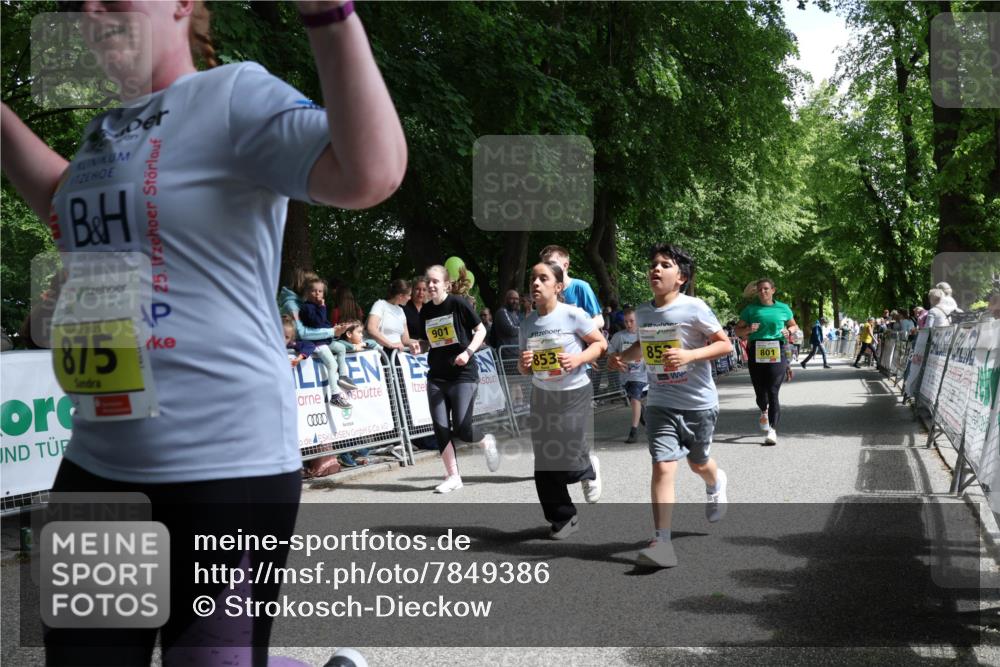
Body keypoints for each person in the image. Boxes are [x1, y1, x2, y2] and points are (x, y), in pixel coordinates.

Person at [2, 1, 406, 665]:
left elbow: (372, 172)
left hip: (226, 466)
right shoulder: (104, 132)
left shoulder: (233, 96)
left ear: (182, 4)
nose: (91, 10)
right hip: (100, 464)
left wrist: (328, 15)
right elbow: (60, 199)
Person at [607, 244, 731, 568]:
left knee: (697, 462)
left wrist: (689, 355)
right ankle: (662, 541)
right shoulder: (645, 313)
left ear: (681, 277)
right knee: (663, 466)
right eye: (653, 265)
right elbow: (641, 346)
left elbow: (724, 344)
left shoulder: (695, 308)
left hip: (698, 404)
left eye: (665, 265)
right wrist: (621, 358)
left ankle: (716, 481)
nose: (656, 269)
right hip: (660, 402)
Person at [519, 261, 607, 538]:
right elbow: (524, 367)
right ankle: (562, 518)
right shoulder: (528, 323)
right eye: (533, 278)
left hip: (574, 391)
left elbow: (600, 344)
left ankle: (587, 466)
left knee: (567, 453)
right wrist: (525, 363)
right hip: (542, 393)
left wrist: (578, 358)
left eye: (543, 278)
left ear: (557, 287)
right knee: (544, 459)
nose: (535, 283)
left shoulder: (573, 315)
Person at [420, 265, 499, 493]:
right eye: (429, 281)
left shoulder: (458, 304)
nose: (431, 285)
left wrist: (468, 352)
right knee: (440, 428)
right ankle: (453, 476)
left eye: (436, 281)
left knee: (463, 429)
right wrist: (418, 346)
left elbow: (481, 330)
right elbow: (429, 342)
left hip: (463, 374)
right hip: (436, 375)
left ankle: (486, 440)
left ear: (446, 284)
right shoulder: (425, 311)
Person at [734, 278, 799, 446]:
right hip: (756, 350)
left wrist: (788, 331)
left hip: (777, 349)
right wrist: (748, 329)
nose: (763, 292)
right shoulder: (750, 310)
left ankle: (772, 430)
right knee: (760, 392)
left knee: (773, 391)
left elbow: (794, 326)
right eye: (760, 289)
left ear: (773, 290)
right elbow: (737, 330)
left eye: (766, 289)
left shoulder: (783, 308)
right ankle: (763, 410)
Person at [299, 276, 356, 407]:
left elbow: (324, 323)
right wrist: (322, 307)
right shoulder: (307, 307)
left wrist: (336, 329)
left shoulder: (318, 307)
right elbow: (317, 323)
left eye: (320, 291)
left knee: (341, 348)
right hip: (317, 343)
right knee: (332, 365)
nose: (317, 294)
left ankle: (343, 377)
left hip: (325, 340)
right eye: (314, 291)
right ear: (308, 292)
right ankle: (335, 395)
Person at [539, 245, 603, 329]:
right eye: (545, 264)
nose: (548, 268)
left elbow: (599, 320)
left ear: (565, 265)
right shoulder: (546, 291)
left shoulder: (581, 287)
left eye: (552, 263)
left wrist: (576, 330)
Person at [608, 307, 646, 443]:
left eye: (632, 321)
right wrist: (615, 357)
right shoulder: (619, 336)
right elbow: (610, 349)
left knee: (635, 398)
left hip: (641, 375)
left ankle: (633, 431)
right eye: (626, 322)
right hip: (625, 375)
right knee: (633, 400)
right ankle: (642, 412)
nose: (629, 324)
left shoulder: (643, 334)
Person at [367, 278, 422, 354]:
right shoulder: (380, 305)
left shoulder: (401, 310)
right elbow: (371, 329)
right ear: (400, 296)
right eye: (409, 295)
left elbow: (405, 340)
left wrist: (422, 342)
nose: (410, 298)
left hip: (398, 354)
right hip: (382, 354)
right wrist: (390, 345)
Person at [488, 289, 522, 354]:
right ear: (506, 300)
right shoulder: (502, 312)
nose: (515, 301)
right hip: (506, 355)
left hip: (517, 353)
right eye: (512, 299)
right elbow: (511, 330)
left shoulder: (515, 314)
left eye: (517, 299)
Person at [403, 276, 429, 344]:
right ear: (412, 290)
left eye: (424, 289)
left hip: (427, 348)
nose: (421, 292)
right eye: (417, 289)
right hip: (408, 348)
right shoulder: (403, 307)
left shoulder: (429, 308)